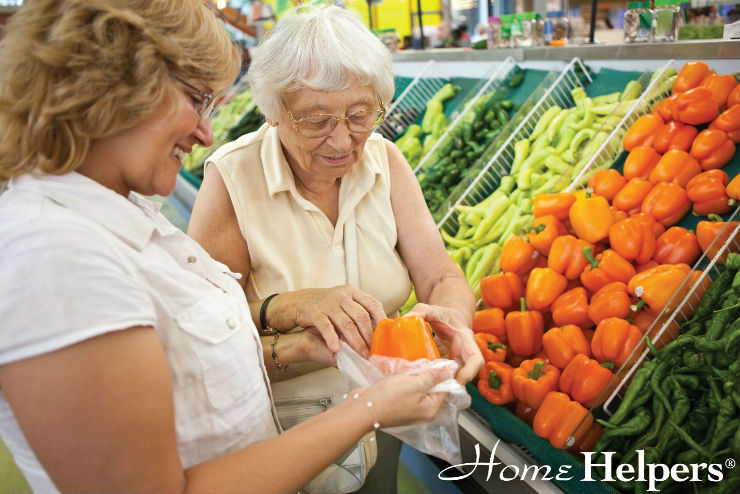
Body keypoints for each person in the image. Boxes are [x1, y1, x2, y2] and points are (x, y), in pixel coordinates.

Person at [0, 1, 451, 493]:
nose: (205, 132)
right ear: (113, 90)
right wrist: (370, 407)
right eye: (196, 99)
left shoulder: (118, 218)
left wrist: (302, 344)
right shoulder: (53, 254)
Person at [187, 6, 483, 493]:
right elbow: (205, 341)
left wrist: (455, 320)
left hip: (387, 426)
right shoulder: (232, 179)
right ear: (274, 111)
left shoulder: (386, 161)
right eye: (316, 120)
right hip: (281, 441)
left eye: (361, 115)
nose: (343, 140)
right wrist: (293, 308)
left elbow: (441, 278)